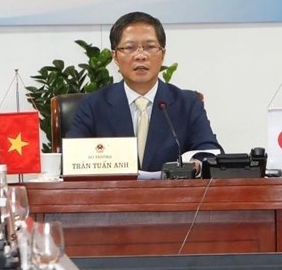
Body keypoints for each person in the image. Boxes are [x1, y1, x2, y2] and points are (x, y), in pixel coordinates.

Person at [66, 11, 220, 173]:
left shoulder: (187, 103)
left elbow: (209, 151)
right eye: (130, 48)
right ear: (115, 57)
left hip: (171, 189)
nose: (140, 56)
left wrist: (197, 163)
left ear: (163, 54)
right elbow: (72, 158)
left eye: (150, 47)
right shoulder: (93, 105)